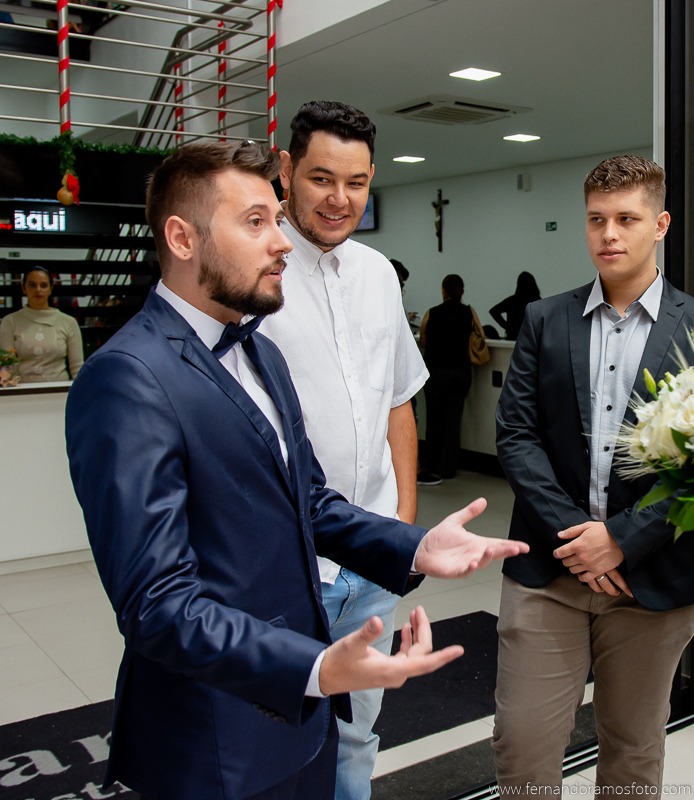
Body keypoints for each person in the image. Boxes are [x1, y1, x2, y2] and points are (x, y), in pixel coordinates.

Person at [64, 140, 527, 800]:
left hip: (302, 718)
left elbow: (311, 501)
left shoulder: (260, 353)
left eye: (275, 220)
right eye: (255, 222)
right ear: (182, 237)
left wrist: (414, 544)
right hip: (217, 741)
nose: (281, 242)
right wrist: (311, 665)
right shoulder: (128, 379)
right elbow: (157, 605)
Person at [492, 155, 694, 797]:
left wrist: (622, 536)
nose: (609, 235)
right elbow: (516, 436)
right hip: (550, 568)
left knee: (632, 750)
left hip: (653, 575)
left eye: (627, 219)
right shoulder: (545, 320)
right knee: (523, 746)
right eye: (596, 219)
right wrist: (579, 534)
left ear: (661, 224)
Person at [256, 100, 426, 800]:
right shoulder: (253, 269)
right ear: (288, 172)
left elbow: (397, 402)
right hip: (290, 561)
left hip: (372, 559)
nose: (338, 198)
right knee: (274, 731)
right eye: (322, 178)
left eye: (355, 183)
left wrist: (403, 531)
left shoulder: (379, 274)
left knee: (357, 734)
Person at [418, 274, 480, 483]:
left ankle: (433, 464)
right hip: (460, 372)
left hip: (435, 372)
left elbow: (424, 341)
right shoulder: (469, 312)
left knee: (434, 419)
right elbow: (479, 336)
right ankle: (449, 467)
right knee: (454, 420)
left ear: (443, 290)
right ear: (462, 291)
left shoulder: (431, 313)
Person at [0, 268, 83, 382]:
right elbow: (6, 367)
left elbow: (77, 369)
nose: (38, 290)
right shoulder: (10, 321)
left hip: (59, 392)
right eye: (32, 285)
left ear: (50, 289)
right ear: (24, 289)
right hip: (22, 393)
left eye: (43, 285)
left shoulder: (68, 322)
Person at [490, 271, 541, 341]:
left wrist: (507, 326)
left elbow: (494, 311)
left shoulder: (512, 300)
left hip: (512, 338)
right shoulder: (537, 301)